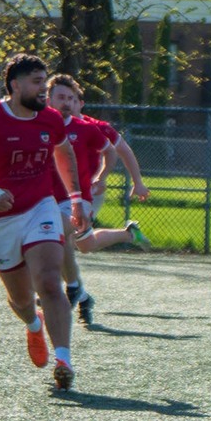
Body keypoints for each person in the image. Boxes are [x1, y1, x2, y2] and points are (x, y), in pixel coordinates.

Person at [0, 54, 83, 387]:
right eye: (37, 82)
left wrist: (75, 199)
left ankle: (64, 360)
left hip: (39, 208)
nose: (45, 89)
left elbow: (63, 153)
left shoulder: (51, 120)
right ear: (15, 86)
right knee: (23, 300)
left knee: (48, 281)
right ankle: (33, 325)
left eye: (46, 81)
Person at [47, 75, 150, 326]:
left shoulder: (94, 128)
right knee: (84, 245)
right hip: (48, 197)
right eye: (63, 98)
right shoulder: (39, 123)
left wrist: (132, 181)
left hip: (85, 195)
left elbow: (120, 151)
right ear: (48, 99)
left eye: (73, 99)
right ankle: (81, 293)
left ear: (81, 103)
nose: (69, 103)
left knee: (57, 235)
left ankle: (62, 291)